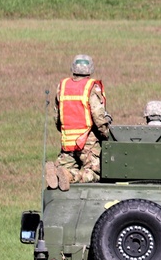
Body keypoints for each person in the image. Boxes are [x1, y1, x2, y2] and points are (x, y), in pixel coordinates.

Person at [45, 54, 112, 191]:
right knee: (95, 172)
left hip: (67, 141)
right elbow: (98, 116)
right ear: (90, 69)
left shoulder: (62, 86)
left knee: (64, 168)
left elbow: (57, 117)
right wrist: (106, 134)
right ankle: (71, 176)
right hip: (87, 140)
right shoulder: (90, 87)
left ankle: (58, 173)